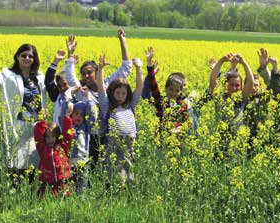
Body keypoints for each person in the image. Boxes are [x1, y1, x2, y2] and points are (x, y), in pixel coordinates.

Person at [0, 33, 47, 182]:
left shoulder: (40, 78)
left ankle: (31, 195)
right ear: (17, 57)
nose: (27, 58)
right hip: (17, 125)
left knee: (35, 163)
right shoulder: (7, 76)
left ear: (34, 60)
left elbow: (55, 88)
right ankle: (14, 195)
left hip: (36, 126)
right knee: (16, 163)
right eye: (24, 55)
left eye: (30, 56)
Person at [64, 29, 132, 167]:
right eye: (83, 74)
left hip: (107, 136)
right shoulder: (81, 91)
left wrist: (122, 41)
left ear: (97, 72)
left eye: (89, 72)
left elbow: (126, 68)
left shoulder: (107, 85)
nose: (86, 76)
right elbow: (70, 76)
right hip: (86, 137)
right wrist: (70, 55)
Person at [96, 54, 143, 183]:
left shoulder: (130, 106)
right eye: (117, 93)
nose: (120, 96)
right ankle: (110, 188)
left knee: (128, 166)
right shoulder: (107, 106)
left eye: (123, 93)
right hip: (113, 142)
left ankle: (127, 187)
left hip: (129, 143)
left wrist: (138, 69)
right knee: (112, 168)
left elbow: (139, 88)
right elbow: (100, 87)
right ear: (112, 92)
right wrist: (100, 69)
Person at [145, 47, 198, 136]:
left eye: (177, 90)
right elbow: (152, 84)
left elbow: (187, 122)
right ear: (165, 89)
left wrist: (179, 128)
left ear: (181, 92)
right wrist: (149, 64)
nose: (173, 93)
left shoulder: (183, 104)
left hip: (178, 142)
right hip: (161, 142)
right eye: (171, 89)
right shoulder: (161, 102)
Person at [34, 118, 74, 197]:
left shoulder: (62, 147)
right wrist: (41, 121)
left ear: (57, 136)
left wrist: (67, 119)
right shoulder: (43, 148)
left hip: (62, 181)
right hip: (47, 182)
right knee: (44, 199)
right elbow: (38, 137)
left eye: (52, 136)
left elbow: (68, 136)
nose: (49, 139)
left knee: (63, 199)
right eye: (47, 137)